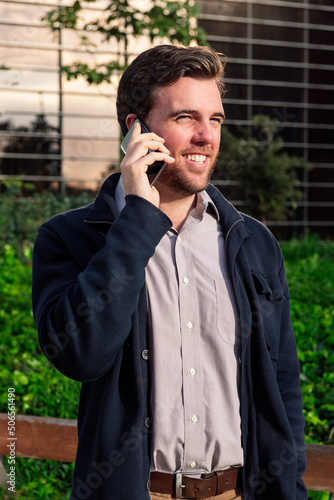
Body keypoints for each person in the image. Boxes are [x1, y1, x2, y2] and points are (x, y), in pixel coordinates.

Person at [32, 44, 307, 500]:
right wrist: (138, 218)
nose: (206, 136)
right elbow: (80, 353)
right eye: (186, 118)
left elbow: (283, 388)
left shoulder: (253, 242)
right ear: (136, 129)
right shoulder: (70, 238)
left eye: (215, 119)